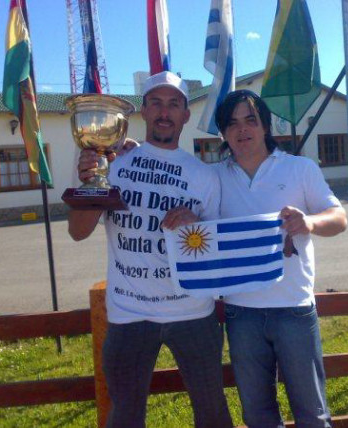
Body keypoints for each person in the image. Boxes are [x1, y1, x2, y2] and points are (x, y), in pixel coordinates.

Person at [68, 71, 233, 428]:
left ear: (185, 114)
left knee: (212, 411)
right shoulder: (111, 163)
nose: (164, 111)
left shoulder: (204, 176)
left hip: (192, 312)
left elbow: (215, 248)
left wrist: (195, 225)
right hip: (130, 314)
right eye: (156, 102)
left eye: (173, 104)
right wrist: (92, 184)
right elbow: (78, 232)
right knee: (126, 415)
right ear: (142, 111)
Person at [214, 89, 347, 428]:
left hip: (294, 308)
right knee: (257, 415)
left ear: (265, 125)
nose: (242, 129)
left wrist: (309, 222)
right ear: (223, 132)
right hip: (240, 312)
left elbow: (339, 218)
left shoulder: (300, 168)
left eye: (250, 120)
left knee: (312, 414)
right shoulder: (213, 177)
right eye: (232, 123)